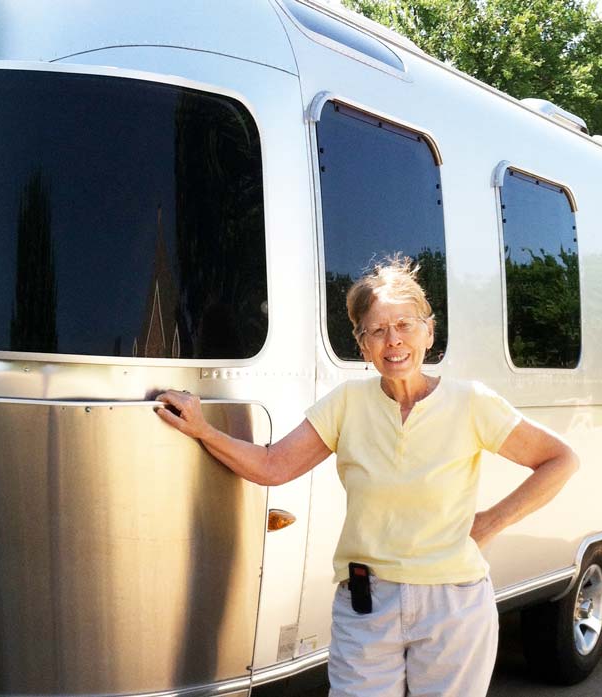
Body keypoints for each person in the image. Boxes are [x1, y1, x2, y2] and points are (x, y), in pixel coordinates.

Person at [155, 256, 578, 697]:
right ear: (363, 346)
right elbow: (273, 466)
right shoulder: (346, 404)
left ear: (428, 332)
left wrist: (491, 521)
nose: (393, 340)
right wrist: (202, 430)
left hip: (452, 603)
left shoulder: (470, 402)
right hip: (367, 602)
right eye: (377, 330)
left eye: (404, 325)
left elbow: (560, 459)